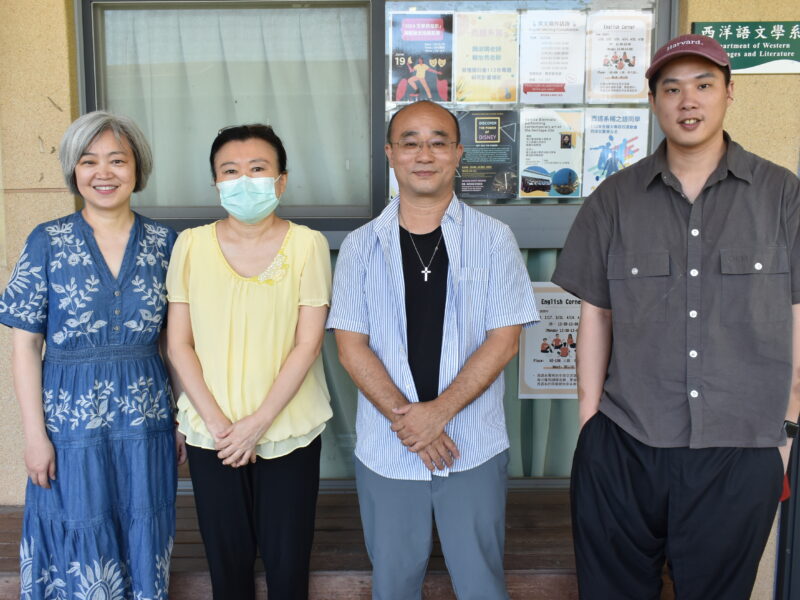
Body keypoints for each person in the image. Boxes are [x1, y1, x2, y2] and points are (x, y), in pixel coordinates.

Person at [552, 34, 800, 599]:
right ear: (654, 101)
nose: (688, 101)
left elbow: (797, 314)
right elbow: (596, 315)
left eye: (704, 85)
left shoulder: (782, 195)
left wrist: (784, 433)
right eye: (672, 89)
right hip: (626, 441)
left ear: (729, 93)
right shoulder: (615, 198)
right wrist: (591, 428)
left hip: (741, 448)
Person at [327, 100, 539, 600]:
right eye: (410, 142)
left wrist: (437, 414)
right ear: (390, 153)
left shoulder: (494, 239)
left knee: (482, 584)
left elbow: (504, 340)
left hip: (472, 444)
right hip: (389, 448)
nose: (424, 154)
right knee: (393, 584)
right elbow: (351, 347)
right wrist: (412, 424)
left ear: (458, 153)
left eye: (438, 142)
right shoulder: (361, 246)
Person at [2, 111, 181, 599]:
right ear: (73, 170)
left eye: (117, 160)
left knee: (144, 526)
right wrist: (34, 436)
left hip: (145, 420)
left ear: (138, 168)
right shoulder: (46, 241)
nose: (104, 173)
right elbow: (25, 345)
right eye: (89, 161)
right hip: (69, 425)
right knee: (76, 532)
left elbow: (174, 342)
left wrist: (182, 418)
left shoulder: (166, 244)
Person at [166, 124, 332, 600]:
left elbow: (308, 344)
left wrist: (256, 425)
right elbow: (179, 344)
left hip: (289, 429)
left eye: (258, 169)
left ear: (281, 180)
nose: (244, 180)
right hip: (212, 434)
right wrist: (221, 426)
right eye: (230, 171)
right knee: (227, 567)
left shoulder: (307, 244)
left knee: (288, 566)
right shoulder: (190, 245)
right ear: (216, 182)